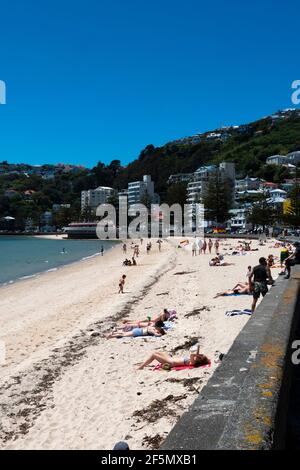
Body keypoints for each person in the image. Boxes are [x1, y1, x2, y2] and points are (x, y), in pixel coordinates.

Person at [137, 348, 209, 370]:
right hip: (170, 359)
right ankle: (144, 363)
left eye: (200, 356)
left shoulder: (193, 363)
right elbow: (193, 356)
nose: (199, 356)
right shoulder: (195, 360)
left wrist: (197, 355)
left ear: (199, 360)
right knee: (157, 352)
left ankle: (141, 367)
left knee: (153, 355)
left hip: (170, 363)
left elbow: (191, 355)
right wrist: (198, 355)